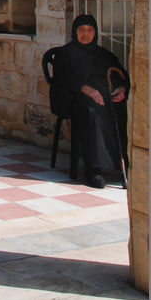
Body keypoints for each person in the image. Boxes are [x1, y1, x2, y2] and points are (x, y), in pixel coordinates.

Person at [50, 13, 129, 188]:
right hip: (75, 97)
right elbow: (62, 78)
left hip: (104, 96)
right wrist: (86, 89)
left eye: (90, 30)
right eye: (82, 30)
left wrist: (122, 89)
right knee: (93, 110)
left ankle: (122, 165)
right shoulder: (66, 53)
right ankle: (94, 169)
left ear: (96, 32)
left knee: (120, 108)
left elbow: (121, 74)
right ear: (75, 32)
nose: (86, 34)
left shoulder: (103, 54)